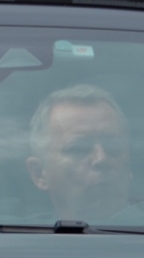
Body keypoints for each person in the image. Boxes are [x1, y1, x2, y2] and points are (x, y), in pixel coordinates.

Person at [25, 84, 131, 223]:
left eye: (113, 147)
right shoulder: (15, 239)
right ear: (39, 174)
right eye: (79, 149)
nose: (101, 159)